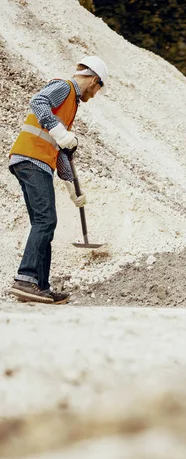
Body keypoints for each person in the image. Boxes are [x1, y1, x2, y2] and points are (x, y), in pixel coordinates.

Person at [8, 56, 108, 304]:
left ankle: (39, 286)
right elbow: (38, 101)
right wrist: (59, 130)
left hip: (37, 161)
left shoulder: (72, 104)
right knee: (46, 220)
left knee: (43, 224)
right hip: (31, 158)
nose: (94, 95)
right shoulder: (64, 86)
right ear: (94, 80)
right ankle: (25, 279)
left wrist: (72, 188)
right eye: (97, 89)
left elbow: (61, 151)